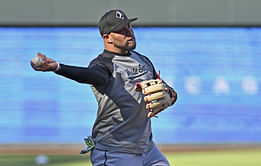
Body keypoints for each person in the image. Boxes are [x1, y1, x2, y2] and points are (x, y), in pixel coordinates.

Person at [31, 9, 177, 166]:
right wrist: (58, 67)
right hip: (115, 152)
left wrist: (170, 94)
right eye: (122, 30)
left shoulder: (142, 60)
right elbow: (88, 75)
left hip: (147, 148)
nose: (129, 32)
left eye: (129, 27)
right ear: (107, 38)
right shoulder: (103, 65)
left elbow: (166, 89)